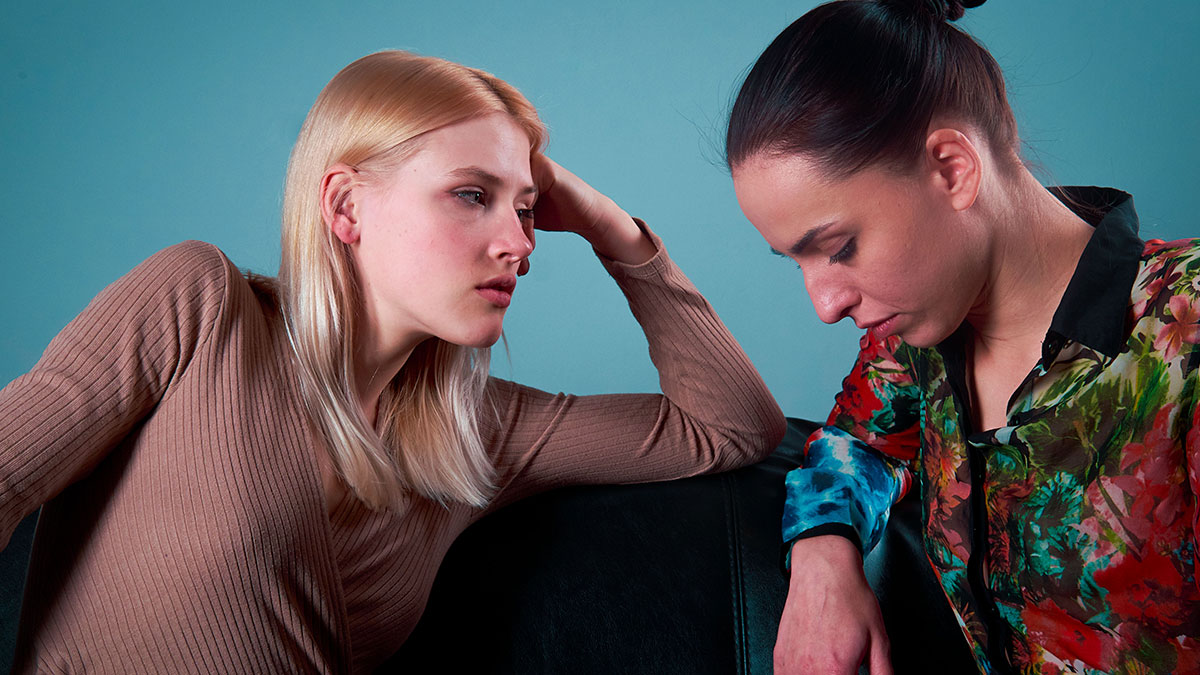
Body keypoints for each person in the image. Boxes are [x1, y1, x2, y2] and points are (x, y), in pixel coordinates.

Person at [0, 50, 785, 673]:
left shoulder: (478, 432)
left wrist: (610, 228)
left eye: (525, 208)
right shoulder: (200, 307)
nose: (519, 243)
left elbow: (730, 428)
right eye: (471, 194)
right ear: (346, 207)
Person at [726, 0, 1200, 673]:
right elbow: (855, 444)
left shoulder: (1185, 332)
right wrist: (822, 555)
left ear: (952, 168)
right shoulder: (914, 342)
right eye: (796, 261)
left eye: (839, 247)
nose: (825, 306)